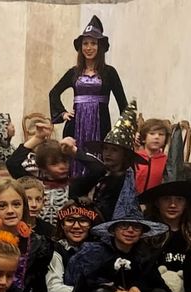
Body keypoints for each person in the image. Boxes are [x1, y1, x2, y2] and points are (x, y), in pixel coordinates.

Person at [64, 168, 171, 292]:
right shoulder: (95, 250)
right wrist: (114, 290)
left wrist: (138, 287)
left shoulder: (144, 254)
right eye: (124, 226)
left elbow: (154, 281)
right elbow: (82, 280)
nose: (130, 231)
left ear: (142, 232)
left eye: (136, 227)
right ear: (113, 230)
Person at [49, 15, 127, 178]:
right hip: (75, 125)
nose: (89, 47)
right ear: (80, 47)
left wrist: (125, 132)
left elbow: (123, 105)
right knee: (73, 160)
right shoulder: (73, 72)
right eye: (85, 43)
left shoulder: (109, 72)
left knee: (99, 163)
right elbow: (54, 93)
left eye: (93, 43)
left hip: (101, 125)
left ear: (100, 47)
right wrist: (62, 113)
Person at [0, 179, 53, 292]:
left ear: (24, 207)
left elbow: (39, 284)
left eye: (16, 204)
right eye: (2, 206)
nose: (10, 211)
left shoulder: (38, 244)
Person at [69, 104, 149, 221]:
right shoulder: (103, 174)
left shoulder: (123, 179)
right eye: (105, 148)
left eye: (114, 150)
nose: (108, 153)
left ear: (125, 155)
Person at [45, 198, 102, 292]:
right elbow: (53, 291)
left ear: (91, 224)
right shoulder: (56, 249)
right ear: (62, 225)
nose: (76, 226)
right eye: (70, 220)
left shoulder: (100, 249)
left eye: (83, 220)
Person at [134, 118, 170, 193]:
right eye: (152, 133)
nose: (157, 137)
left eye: (161, 134)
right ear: (144, 138)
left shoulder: (167, 162)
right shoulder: (134, 158)